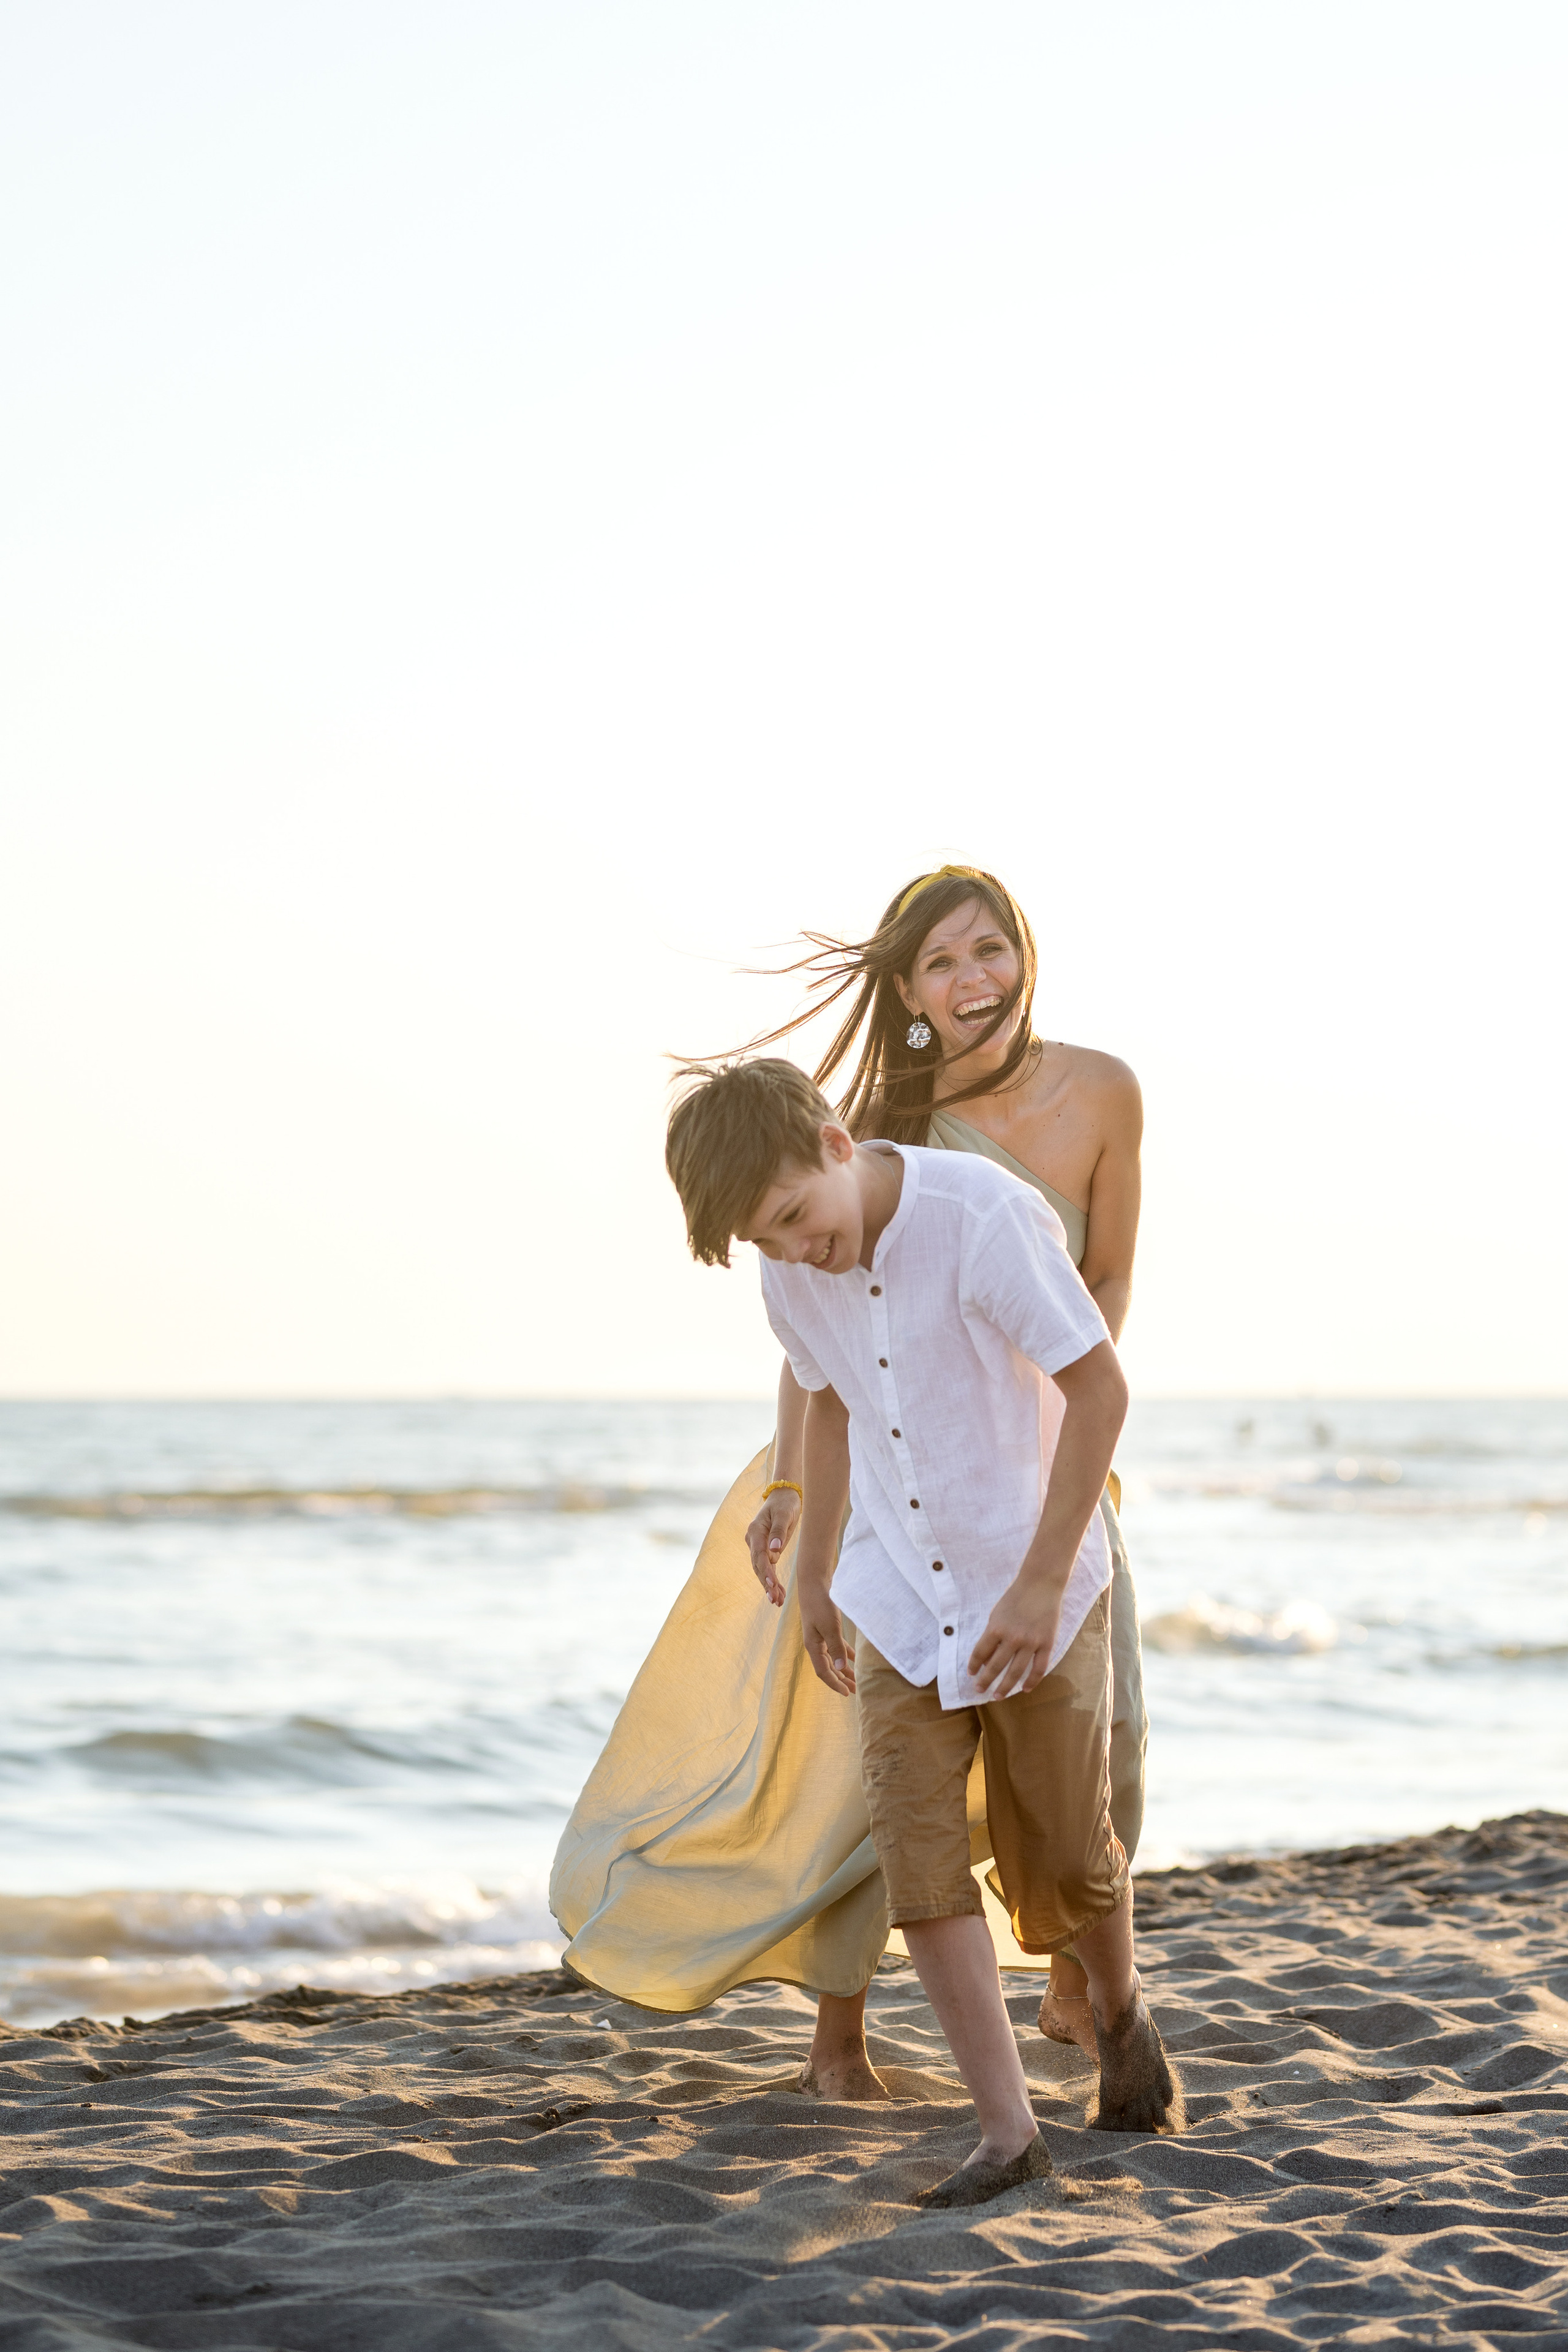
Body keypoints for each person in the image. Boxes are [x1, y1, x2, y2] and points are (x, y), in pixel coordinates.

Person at [550, 865, 1146, 2092]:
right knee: (871, 1784)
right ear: (909, 993)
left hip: (1052, 1458)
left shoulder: (1098, 1094)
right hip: (902, 1491)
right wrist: (794, 1512)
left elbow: (1108, 1293)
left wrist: (1056, 1460)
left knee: (1096, 1758)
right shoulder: (869, 1131)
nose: (971, 979)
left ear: (1022, 953)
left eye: (988, 950)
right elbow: (819, 1350)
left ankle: (1091, 1995)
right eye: (939, 964)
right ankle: (844, 2039)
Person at [664, 1056, 1177, 2201]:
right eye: (768, 1242)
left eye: (796, 1219)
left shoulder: (981, 1218)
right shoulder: (791, 1272)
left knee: (1060, 1855)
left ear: (838, 1146)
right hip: (899, 1595)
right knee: (920, 1859)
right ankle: (1009, 2138)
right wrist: (811, 1578)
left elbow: (1102, 1392)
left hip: (1031, 1576)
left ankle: (1121, 2009)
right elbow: (832, 1403)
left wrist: (1041, 1585)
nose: (796, 1252)